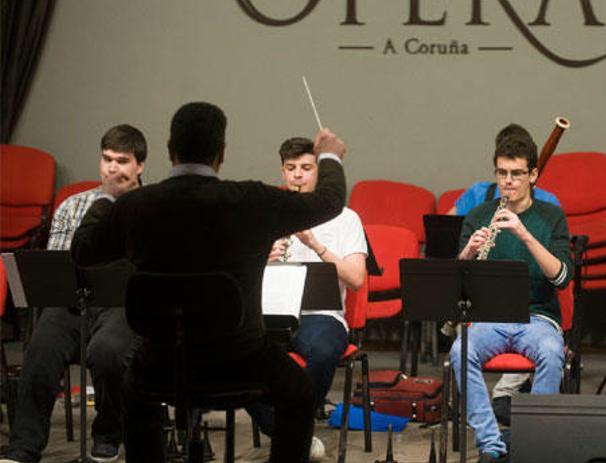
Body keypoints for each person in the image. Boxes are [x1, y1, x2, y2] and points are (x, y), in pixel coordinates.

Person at [70, 102, 348, 463]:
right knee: (300, 393)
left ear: (170, 150)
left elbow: (82, 251)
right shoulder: (251, 201)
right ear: (221, 152)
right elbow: (328, 201)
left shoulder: (136, 206)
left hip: (161, 361)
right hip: (240, 358)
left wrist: (108, 196)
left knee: (134, 394)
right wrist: (329, 157)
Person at [0, 125, 147, 463]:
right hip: (74, 298)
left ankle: (109, 433)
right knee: (41, 348)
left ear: (139, 166)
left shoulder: (150, 206)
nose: (112, 168)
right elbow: (56, 263)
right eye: (107, 159)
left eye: (122, 161)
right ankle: (25, 444)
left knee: (107, 351)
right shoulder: (72, 205)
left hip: (123, 304)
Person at [451, 128, 572, 463]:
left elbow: (562, 277)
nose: (509, 181)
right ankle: (491, 445)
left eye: (517, 174)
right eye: (502, 173)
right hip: (490, 317)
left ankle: (531, 443)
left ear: (533, 175)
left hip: (538, 318)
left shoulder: (551, 217)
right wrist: (468, 253)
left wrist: (524, 233)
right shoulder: (478, 216)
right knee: (461, 351)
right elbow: (457, 280)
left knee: (551, 353)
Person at [248, 137, 367, 460]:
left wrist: (316, 245)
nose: (298, 176)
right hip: (271, 313)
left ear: (320, 171)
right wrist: (263, 259)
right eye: (291, 169)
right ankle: (291, 431)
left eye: (306, 168)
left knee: (324, 350)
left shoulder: (346, 218)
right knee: (238, 356)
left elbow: (357, 279)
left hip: (322, 314)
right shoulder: (269, 212)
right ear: (282, 172)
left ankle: (293, 430)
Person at [447, 124, 560, 215]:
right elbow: (446, 229)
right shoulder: (478, 192)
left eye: (517, 172)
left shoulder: (548, 202)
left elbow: (555, 242)